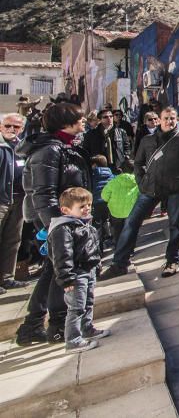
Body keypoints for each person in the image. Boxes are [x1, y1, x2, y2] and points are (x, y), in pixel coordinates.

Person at [15, 102, 93, 346]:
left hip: (66, 221)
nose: (83, 122)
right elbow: (43, 194)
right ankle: (57, 326)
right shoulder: (49, 151)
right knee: (59, 271)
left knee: (53, 271)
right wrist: (57, 228)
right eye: (79, 119)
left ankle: (34, 326)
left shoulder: (64, 147)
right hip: (57, 223)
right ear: (66, 124)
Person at [102, 107, 179, 279]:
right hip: (150, 188)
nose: (169, 121)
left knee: (176, 225)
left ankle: (172, 259)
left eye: (172, 118)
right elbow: (138, 163)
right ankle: (119, 263)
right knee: (131, 223)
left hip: (175, 188)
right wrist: (141, 181)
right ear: (159, 119)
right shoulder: (147, 140)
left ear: (177, 119)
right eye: (165, 118)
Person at [49, 187, 108, 352]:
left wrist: (96, 265)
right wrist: (66, 278)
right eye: (81, 206)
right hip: (76, 274)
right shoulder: (63, 229)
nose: (87, 208)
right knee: (76, 307)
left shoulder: (84, 224)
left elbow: (92, 247)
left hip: (87, 270)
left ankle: (87, 329)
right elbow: (62, 255)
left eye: (88, 205)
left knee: (88, 302)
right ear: (65, 210)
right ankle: (73, 340)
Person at [1, 113, 28, 293]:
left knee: (12, 240)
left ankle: (6, 278)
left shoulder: (21, 148)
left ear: (22, 129)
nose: (11, 129)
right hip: (1, 200)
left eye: (16, 127)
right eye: (8, 125)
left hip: (18, 200)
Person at [82, 108, 132, 174]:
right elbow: (86, 150)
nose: (109, 118)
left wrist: (126, 157)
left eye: (111, 116)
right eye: (105, 117)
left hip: (118, 167)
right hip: (100, 168)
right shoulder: (91, 134)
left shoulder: (121, 132)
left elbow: (127, 147)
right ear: (100, 120)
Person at [90, 155, 114, 251]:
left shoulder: (92, 176)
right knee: (108, 220)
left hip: (96, 203)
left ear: (95, 165)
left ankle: (99, 247)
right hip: (109, 202)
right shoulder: (111, 175)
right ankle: (111, 239)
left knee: (97, 224)